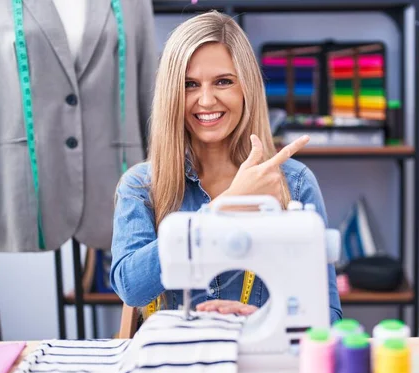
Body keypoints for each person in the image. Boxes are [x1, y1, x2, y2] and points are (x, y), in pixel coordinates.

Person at [110, 11, 342, 324]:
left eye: (223, 81)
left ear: (246, 88)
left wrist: (264, 320)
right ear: (170, 95)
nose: (206, 100)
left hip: (260, 363)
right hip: (178, 366)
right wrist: (225, 209)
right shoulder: (140, 186)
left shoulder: (293, 183)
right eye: (190, 84)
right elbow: (131, 288)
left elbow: (326, 312)